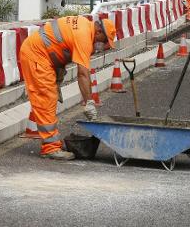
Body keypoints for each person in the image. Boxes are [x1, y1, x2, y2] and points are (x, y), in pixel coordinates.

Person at [19, 16, 117, 160]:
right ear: (99, 32)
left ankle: (52, 144)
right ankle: (50, 149)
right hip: (36, 56)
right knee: (46, 100)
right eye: (104, 41)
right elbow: (83, 74)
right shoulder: (84, 37)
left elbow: (59, 46)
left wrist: (57, 78)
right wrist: (89, 102)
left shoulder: (84, 25)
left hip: (40, 55)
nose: (104, 46)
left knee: (49, 99)